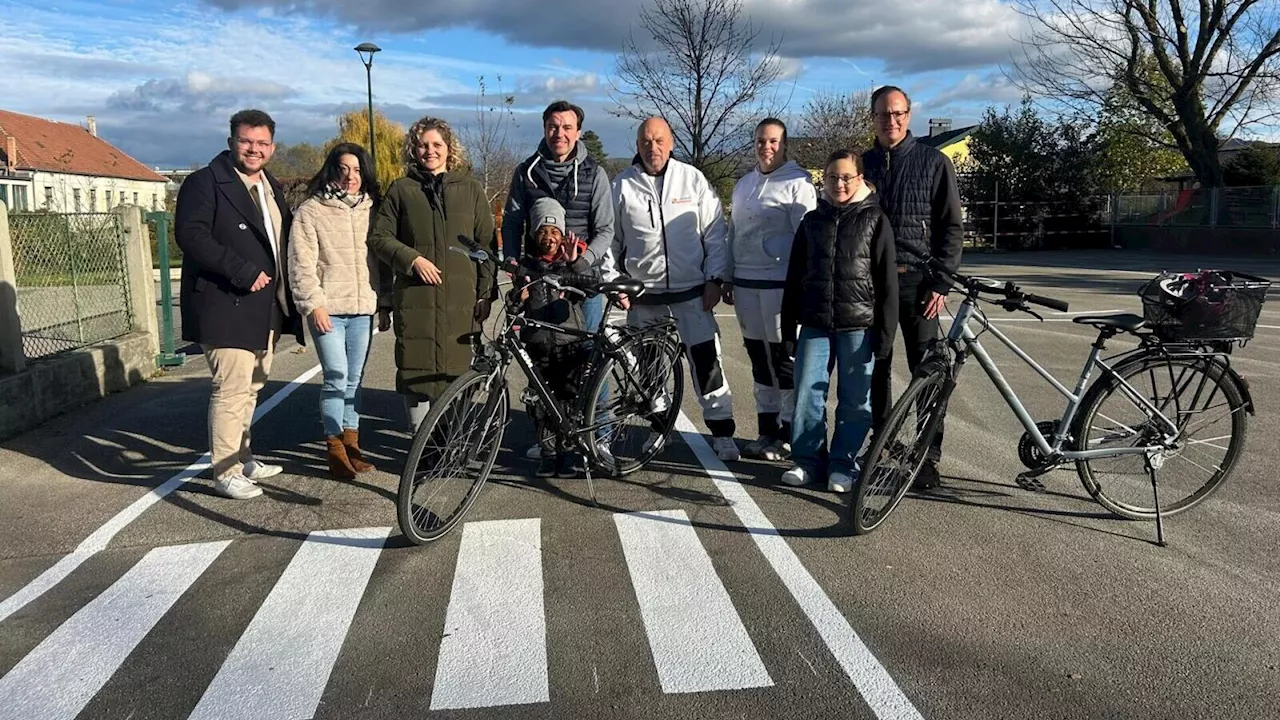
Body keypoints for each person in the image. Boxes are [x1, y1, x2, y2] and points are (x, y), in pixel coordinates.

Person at [175, 108, 303, 500]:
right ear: (232, 142)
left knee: (252, 387)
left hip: (265, 307)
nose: (254, 149)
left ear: (272, 147)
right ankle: (225, 471)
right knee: (231, 389)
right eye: (246, 141)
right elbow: (191, 235)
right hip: (225, 303)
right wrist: (241, 271)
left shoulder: (269, 185)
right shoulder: (205, 183)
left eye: (262, 143)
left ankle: (243, 457)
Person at [611, 117, 739, 461]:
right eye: (645, 142)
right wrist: (616, 283)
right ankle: (658, 428)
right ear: (637, 146)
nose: (652, 147)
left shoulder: (692, 179)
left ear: (671, 143)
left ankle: (723, 433)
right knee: (650, 370)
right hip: (646, 296)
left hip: (692, 294)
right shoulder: (622, 185)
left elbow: (715, 233)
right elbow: (611, 242)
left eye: (659, 140)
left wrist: (715, 278)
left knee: (707, 364)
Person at [501, 100, 616, 460]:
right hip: (538, 282)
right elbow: (513, 221)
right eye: (553, 126)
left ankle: (601, 438)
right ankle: (549, 436)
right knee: (544, 362)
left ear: (578, 132)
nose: (559, 134)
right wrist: (512, 260)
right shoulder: (527, 172)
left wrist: (582, 261)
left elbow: (606, 229)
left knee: (592, 365)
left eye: (567, 127)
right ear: (544, 129)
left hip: (583, 284)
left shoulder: (594, 173)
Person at [862, 85, 964, 490]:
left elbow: (952, 228)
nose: (892, 120)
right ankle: (881, 446)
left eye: (899, 113)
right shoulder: (862, 164)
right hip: (870, 286)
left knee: (927, 373)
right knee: (875, 370)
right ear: (872, 117)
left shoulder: (934, 163)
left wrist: (941, 281)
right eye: (884, 114)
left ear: (909, 115)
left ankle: (926, 456)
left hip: (919, 285)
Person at [368, 117, 497, 429]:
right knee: (415, 374)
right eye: (423, 145)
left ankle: (449, 443)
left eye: (437, 144)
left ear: (449, 148)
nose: (430, 151)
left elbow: (487, 245)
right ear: (414, 149)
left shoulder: (470, 189)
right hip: (416, 300)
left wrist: (485, 292)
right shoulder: (401, 190)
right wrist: (412, 260)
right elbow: (379, 238)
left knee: (458, 376)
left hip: (461, 303)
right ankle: (421, 449)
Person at [780, 150, 898, 493]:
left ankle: (844, 465)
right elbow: (794, 278)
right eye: (832, 177)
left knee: (854, 399)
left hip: (859, 327)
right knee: (806, 393)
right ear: (824, 181)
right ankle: (807, 460)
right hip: (815, 324)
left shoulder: (876, 220)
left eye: (847, 177)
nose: (839, 184)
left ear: (860, 179)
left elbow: (886, 281)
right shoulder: (811, 222)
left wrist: (886, 334)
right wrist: (788, 329)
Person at [288, 143, 391, 480]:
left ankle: (352, 445)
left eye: (358, 170)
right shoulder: (311, 211)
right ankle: (334, 449)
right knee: (336, 377)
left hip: (363, 309)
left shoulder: (372, 210)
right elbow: (301, 264)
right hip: (328, 309)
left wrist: (384, 302)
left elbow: (381, 261)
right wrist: (313, 304)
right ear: (332, 170)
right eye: (344, 169)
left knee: (355, 380)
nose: (351, 177)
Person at [723, 118, 817, 461]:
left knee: (784, 362)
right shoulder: (744, 184)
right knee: (759, 361)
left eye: (774, 141)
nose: (767, 147)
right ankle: (766, 432)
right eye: (762, 140)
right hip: (747, 285)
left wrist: (803, 287)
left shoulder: (797, 183)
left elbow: (806, 241)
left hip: (780, 286)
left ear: (784, 144)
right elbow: (733, 234)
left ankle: (789, 434)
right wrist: (728, 276)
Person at [509, 198, 601, 478]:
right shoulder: (527, 266)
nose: (548, 239)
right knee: (539, 402)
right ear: (534, 235)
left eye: (554, 233)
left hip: (569, 345)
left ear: (562, 235)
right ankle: (548, 453)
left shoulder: (571, 262)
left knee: (568, 399)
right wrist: (517, 297)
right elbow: (514, 305)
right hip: (537, 345)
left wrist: (575, 264)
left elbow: (594, 288)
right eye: (542, 233)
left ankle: (568, 454)